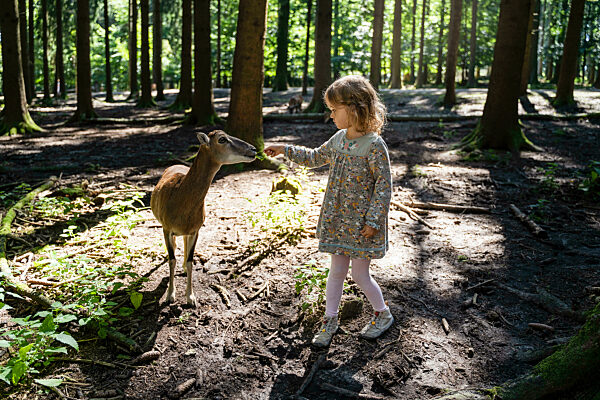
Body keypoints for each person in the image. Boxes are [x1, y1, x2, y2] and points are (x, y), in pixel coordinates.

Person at [264, 75, 393, 347]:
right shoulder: (338, 139)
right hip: (338, 221)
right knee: (336, 271)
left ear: (355, 108)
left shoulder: (374, 146)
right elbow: (313, 158)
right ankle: (330, 319)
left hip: (361, 225)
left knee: (359, 275)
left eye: (335, 110)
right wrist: (285, 149)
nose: (331, 115)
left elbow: (383, 186)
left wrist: (373, 220)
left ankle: (383, 314)